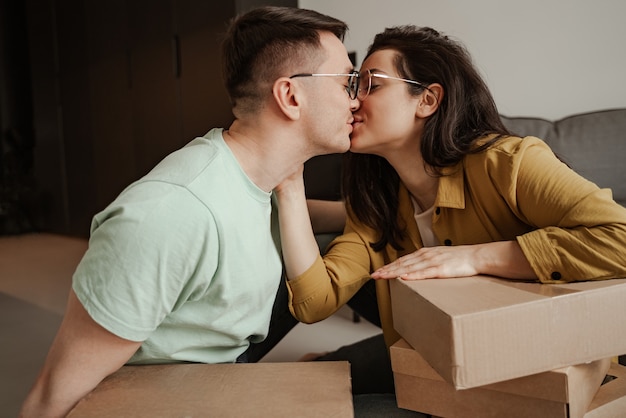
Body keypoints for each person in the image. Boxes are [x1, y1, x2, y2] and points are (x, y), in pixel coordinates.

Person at [20, 6, 360, 417]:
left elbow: (284, 216)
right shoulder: (172, 214)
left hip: (228, 361)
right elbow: (51, 395)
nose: (356, 100)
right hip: (171, 394)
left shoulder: (252, 177)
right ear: (290, 96)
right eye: (348, 82)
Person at [275, 25, 626, 397]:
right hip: (436, 352)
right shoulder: (376, 201)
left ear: (427, 100)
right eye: (352, 87)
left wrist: (475, 257)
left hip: (540, 356)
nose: (352, 102)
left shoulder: (510, 162)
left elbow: (619, 237)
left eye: (371, 85)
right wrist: (290, 183)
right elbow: (314, 302)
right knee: (315, 378)